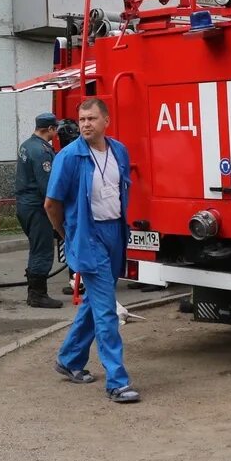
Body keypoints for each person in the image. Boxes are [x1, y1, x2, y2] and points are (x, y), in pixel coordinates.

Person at [44, 98, 139, 403]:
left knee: (95, 302)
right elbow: (51, 204)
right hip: (88, 236)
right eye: (81, 119)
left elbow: (122, 191)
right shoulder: (69, 157)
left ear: (106, 121)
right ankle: (117, 382)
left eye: (91, 118)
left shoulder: (119, 151)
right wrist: (67, 234)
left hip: (114, 233)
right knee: (106, 310)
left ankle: (70, 359)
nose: (85, 124)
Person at [15, 112, 63, 309]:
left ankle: (34, 292)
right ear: (49, 129)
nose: (57, 131)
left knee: (36, 247)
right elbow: (48, 186)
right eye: (56, 128)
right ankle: (37, 295)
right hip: (37, 207)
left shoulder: (26, 144)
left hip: (25, 205)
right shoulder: (42, 151)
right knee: (42, 250)